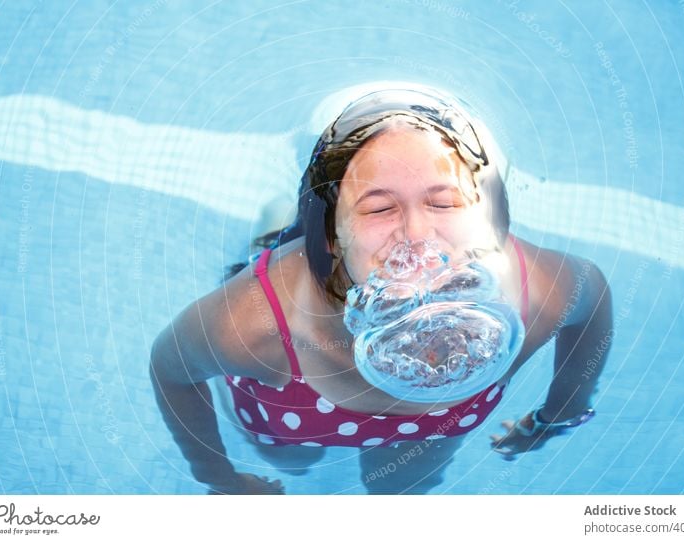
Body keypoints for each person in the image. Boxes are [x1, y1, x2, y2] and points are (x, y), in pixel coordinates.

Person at [149, 87, 613, 494]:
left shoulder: (537, 294)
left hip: (432, 428)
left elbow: (594, 303)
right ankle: (275, 234)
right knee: (290, 460)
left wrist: (558, 415)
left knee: (402, 487)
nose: (417, 234)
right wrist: (220, 478)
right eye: (378, 208)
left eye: (444, 201)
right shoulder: (256, 327)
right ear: (333, 236)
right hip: (290, 403)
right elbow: (170, 372)